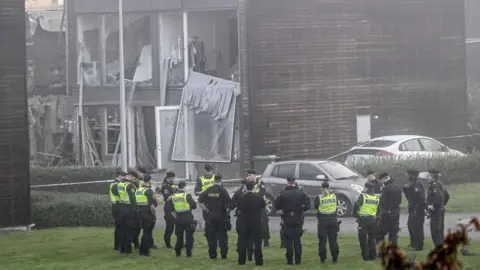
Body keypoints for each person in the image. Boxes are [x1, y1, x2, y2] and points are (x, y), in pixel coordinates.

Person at [275, 177, 310, 265]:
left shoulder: (283, 194)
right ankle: (298, 260)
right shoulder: (301, 194)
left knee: (289, 240)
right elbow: (308, 206)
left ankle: (289, 260)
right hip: (298, 218)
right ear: (294, 183)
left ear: (287, 183)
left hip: (287, 218)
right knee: (297, 240)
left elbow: (277, 206)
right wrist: (301, 209)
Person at [198, 173, 232, 259]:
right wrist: (227, 212)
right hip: (221, 216)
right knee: (222, 236)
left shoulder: (209, 190)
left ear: (213, 181)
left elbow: (199, 201)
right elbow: (230, 204)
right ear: (221, 181)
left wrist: (206, 210)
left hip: (210, 216)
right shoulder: (223, 191)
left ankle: (212, 254)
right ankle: (224, 254)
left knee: (211, 236)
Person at [165, 180, 197, 257]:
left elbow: (169, 208)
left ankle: (178, 251)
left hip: (178, 218)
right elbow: (194, 206)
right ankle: (188, 251)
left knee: (179, 236)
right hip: (187, 217)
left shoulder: (173, 196)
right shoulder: (186, 195)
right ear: (184, 187)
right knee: (189, 235)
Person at [237, 180, 265, 266]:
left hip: (244, 222)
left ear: (246, 187)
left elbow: (239, 208)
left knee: (243, 242)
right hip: (256, 222)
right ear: (253, 187)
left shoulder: (241, 197)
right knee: (257, 242)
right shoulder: (259, 197)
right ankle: (259, 261)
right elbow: (263, 206)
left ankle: (241, 260)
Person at [353, 181, 379, 261]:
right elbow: (379, 210)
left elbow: (356, 205)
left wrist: (355, 214)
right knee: (372, 238)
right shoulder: (376, 198)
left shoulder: (363, 196)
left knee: (363, 238)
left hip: (364, 219)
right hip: (373, 220)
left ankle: (366, 257)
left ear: (366, 188)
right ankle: (373, 255)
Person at [230, 175, 254, 261]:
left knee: (241, 236)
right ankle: (250, 254)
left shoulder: (237, 193)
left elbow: (231, 205)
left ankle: (241, 254)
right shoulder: (253, 193)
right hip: (252, 217)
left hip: (241, 217)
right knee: (250, 236)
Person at [314, 181, 339, 264]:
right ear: (329, 187)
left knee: (322, 241)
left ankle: (323, 258)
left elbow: (315, 206)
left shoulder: (319, 197)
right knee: (333, 241)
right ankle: (335, 258)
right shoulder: (334, 196)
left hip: (323, 221)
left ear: (321, 188)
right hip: (333, 220)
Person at [377, 172, 402, 249]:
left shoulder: (386, 188)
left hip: (387, 214)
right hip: (396, 212)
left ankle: (381, 251)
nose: (381, 182)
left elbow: (383, 203)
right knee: (393, 234)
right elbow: (400, 200)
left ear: (384, 179)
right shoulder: (398, 187)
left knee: (379, 233)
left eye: (381, 180)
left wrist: (380, 197)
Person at [113, 172, 137, 254]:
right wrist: (135, 208)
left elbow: (116, 193)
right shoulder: (129, 186)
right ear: (129, 177)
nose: (133, 179)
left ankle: (122, 248)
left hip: (121, 208)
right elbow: (133, 198)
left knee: (122, 229)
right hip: (129, 209)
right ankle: (128, 249)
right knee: (129, 229)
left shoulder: (119, 184)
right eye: (132, 177)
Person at [403, 169, 426, 251]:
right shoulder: (412, 183)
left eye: (409, 174)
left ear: (413, 175)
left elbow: (421, 197)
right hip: (412, 208)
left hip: (417, 209)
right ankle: (413, 242)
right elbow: (409, 196)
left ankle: (419, 245)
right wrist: (405, 189)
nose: (408, 176)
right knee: (410, 226)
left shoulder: (418, 184)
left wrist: (417, 206)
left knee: (417, 227)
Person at [135, 174, 158, 256]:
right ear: (149, 181)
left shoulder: (138, 190)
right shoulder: (148, 191)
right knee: (147, 233)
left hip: (139, 213)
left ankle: (142, 249)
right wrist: (154, 216)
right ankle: (144, 251)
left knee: (145, 232)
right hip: (147, 213)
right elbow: (152, 206)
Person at [426, 169, 450, 247]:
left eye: (429, 175)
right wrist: (442, 205)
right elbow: (447, 196)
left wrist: (433, 206)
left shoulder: (434, 185)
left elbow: (438, 197)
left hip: (436, 212)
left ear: (433, 177)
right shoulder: (440, 184)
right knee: (439, 231)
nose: (427, 177)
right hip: (440, 211)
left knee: (435, 231)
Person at [250, 170, 271, 248]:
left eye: (251, 175)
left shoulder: (260, 184)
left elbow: (262, 193)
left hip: (260, 206)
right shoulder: (247, 184)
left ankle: (266, 241)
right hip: (251, 207)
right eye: (248, 175)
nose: (249, 177)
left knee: (264, 223)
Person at [194, 164, 215, 238]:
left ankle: (212, 234)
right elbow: (196, 192)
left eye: (210, 171)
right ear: (205, 170)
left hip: (215, 202)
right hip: (206, 202)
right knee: (207, 219)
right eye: (207, 171)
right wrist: (206, 192)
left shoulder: (216, 178)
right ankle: (208, 233)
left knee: (215, 219)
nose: (209, 173)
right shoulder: (201, 179)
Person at [161, 171, 177, 248]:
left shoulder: (170, 185)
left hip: (174, 207)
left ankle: (179, 242)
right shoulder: (165, 186)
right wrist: (176, 196)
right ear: (169, 178)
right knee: (170, 226)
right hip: (169, 208)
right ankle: (167, 242)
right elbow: (167, 198)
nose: (174, 179)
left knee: (178, 225)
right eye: (172, 178)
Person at [110, 171, 126, 251]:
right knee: (119, 226)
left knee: (121, 226)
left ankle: (119, 244)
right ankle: (118, 245)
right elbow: (119, 194)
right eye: (123, 176)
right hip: (117, 206)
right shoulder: (115, 185)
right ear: (119, 176)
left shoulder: (116, 184)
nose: (124, 178)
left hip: (118, 205)